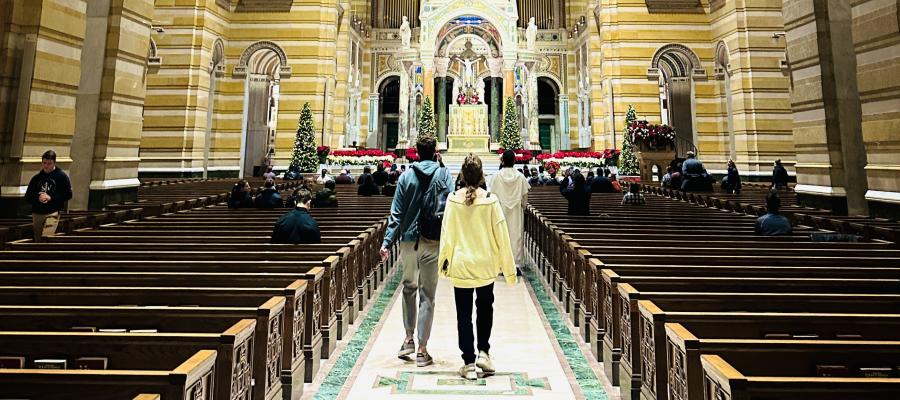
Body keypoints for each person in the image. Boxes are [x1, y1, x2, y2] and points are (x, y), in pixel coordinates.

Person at [438, 154, 517, 380]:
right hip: (485, 265)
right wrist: (509, 272)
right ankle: (484, 351)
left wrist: (443, 266)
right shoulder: (491, 200)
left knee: (463, 314)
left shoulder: (453, 200)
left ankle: (469, 362)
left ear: (462, 175)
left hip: (462, 265)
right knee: (485, 309)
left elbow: (447, 236)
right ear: (482, 175)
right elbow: (502, 237)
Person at [379, 134, 454, 368]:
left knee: (409, 288)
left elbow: (396, 214)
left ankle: (409, 338)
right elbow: (450, 206)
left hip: (408, 241)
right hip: (432, 241)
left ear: (415, 151)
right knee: (428, 296)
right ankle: (422, 350)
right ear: (436, 152)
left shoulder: (406, 176)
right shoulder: (444, 174)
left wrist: (386, 242)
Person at [488, 150, 531, 271]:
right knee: (516, 236)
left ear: (502, 160)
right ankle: (515, 265)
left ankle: (501, 265)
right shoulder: (520, 177)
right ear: (514, 160)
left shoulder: (496, 176)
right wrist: (523, 206)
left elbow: (492, 196)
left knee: (501, 236)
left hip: (500, 211)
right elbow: (524, 198)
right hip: (516, 212)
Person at [24, 150, 72, 242]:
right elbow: (28, 196)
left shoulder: (61, 177)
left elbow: (68, 194)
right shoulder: (37, 178)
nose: (46, 166)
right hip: (37, 212)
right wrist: (38, 198)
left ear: (54, 163)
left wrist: (51, 198)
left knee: (47, 237)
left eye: (49, 163)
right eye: (44, 163)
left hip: (52, 212)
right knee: (37, 239)